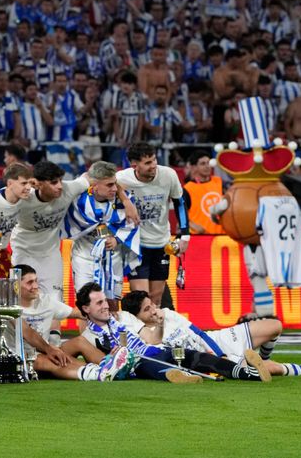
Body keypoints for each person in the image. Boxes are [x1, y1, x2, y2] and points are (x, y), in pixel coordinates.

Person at [123, 290, 301, 377]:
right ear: (137, 317)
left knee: (275, 326)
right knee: (272, 370)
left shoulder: (168, 314)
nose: (153, 310)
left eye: (152, 305)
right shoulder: (146, 339)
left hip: (217, 341)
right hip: (208, 359)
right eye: (147, 309)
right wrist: (220, 360)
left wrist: (221, 353)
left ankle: (260, 358)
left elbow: (200, 334)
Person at [75, 283, 269, 383]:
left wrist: (159, 325)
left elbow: (151, 339)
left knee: (200, 357)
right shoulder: (89, 337)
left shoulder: (124, 317)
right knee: (149, 366)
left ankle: (249, 374)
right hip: (137, 363)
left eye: (104, 301)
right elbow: (103, 364)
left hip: (158, 350)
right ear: (86, 308)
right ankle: (179, 376)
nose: (105, 306)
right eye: (99, 303)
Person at [10, 160, 90, 343]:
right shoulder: (23, 198)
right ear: (38, 184)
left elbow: (93, 176)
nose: (60, 186)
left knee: (54, 299)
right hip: (24, 252)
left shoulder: (68, 189)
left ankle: (54, 342)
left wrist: (126, 201)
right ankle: (22, 342)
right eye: (54, 182)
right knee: (24, 297)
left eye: (60, 180)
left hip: (50, 253)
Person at [16, 265, 131, 382]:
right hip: (22, 358)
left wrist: (103, 313)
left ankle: (113, 366)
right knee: (48, 359)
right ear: (16, 285)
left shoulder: (45, 302)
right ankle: (97, 373)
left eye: (36, 281)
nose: (35, 286)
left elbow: (77, 313)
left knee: (79, 341)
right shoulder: (10, 306)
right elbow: (28, 333)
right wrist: (49, 349)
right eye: (30, 282)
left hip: (45, 351)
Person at [116, 143, 189, 305]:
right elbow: (103, 183)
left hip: (161, 243)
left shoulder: (168, 175)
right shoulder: (121, 178)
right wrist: (126, 202)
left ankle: (153, 322)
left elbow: (179, 203)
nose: (154, 165)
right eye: (147, 163)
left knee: (156, 299)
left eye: (154, 160)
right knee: (141, 298)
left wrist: (185, 235)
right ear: (134, 165)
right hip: (136, 245)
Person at [64, 161, 139, 307]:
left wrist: (117, 239)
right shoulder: (77, 199)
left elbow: (132, 226)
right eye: (109, 185)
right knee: (86, 304)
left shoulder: (125, 201)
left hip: (113, 257)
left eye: (115, 184)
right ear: (94, 185)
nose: (115, 188)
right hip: (85, 257)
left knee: (112, 304)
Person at [183, 151, 226, 235]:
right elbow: (180, 214)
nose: (207, 166)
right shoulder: (188, 188)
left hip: (221, 236)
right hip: (200, 237)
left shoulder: (219, 182)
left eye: (208, 163)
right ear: (194, 167)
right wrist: (193, 226)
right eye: (203, 164)